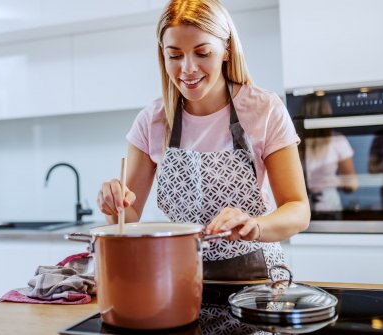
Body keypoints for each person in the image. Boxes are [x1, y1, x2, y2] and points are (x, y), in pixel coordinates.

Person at [96, 0, 310, 280]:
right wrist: (114, 207)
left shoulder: (264, 109)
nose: (188, 69)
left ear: (226, 49)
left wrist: (254, 226)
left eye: (202, 53)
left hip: (256, 278)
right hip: (180, 277)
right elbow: (129, 216)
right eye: (175, 56)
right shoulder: (152, 120)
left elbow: (298, 208)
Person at [300, 95, 358, 212]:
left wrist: (331, 181)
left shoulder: (338, 140)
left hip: (330, 206)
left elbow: (352, 185)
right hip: (303, 207)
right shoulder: (295, 142)